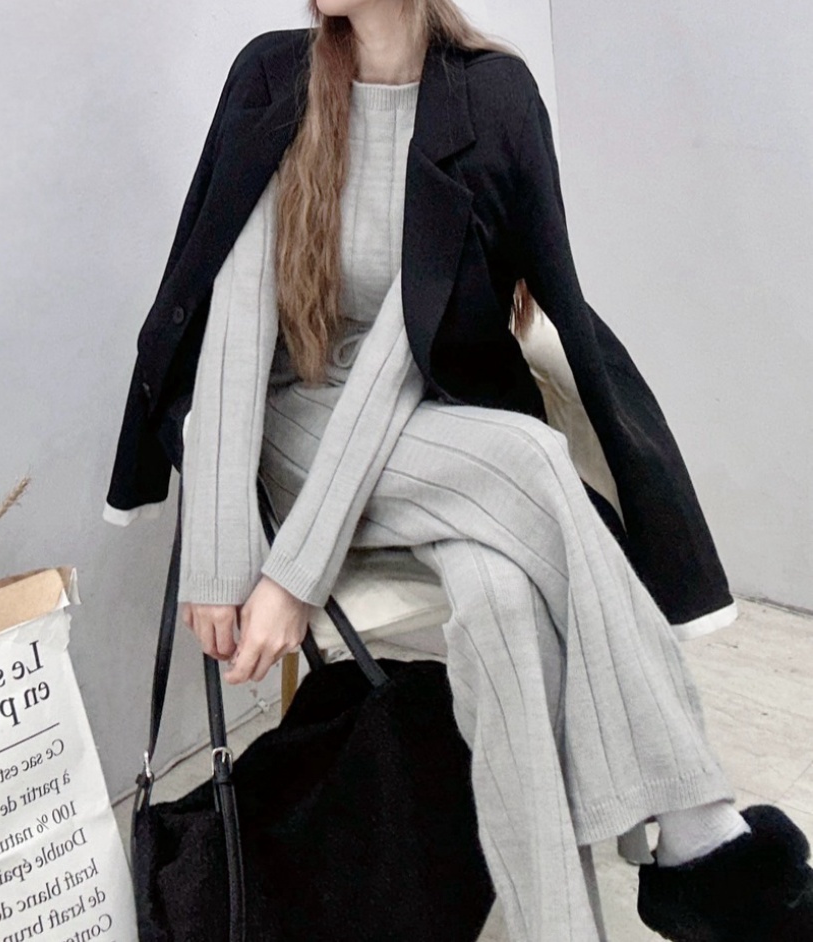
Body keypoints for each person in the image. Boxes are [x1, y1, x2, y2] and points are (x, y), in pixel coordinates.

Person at [105, 1, 813, 939]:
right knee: (529, 454)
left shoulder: (487, 98)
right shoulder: (275, 77)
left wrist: (295, 578)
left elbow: (404, 352)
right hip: (294, 416)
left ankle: (557, 924)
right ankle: (698, 836)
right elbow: (234, 336)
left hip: (423, 411)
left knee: (503, 599)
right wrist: (238, 562)